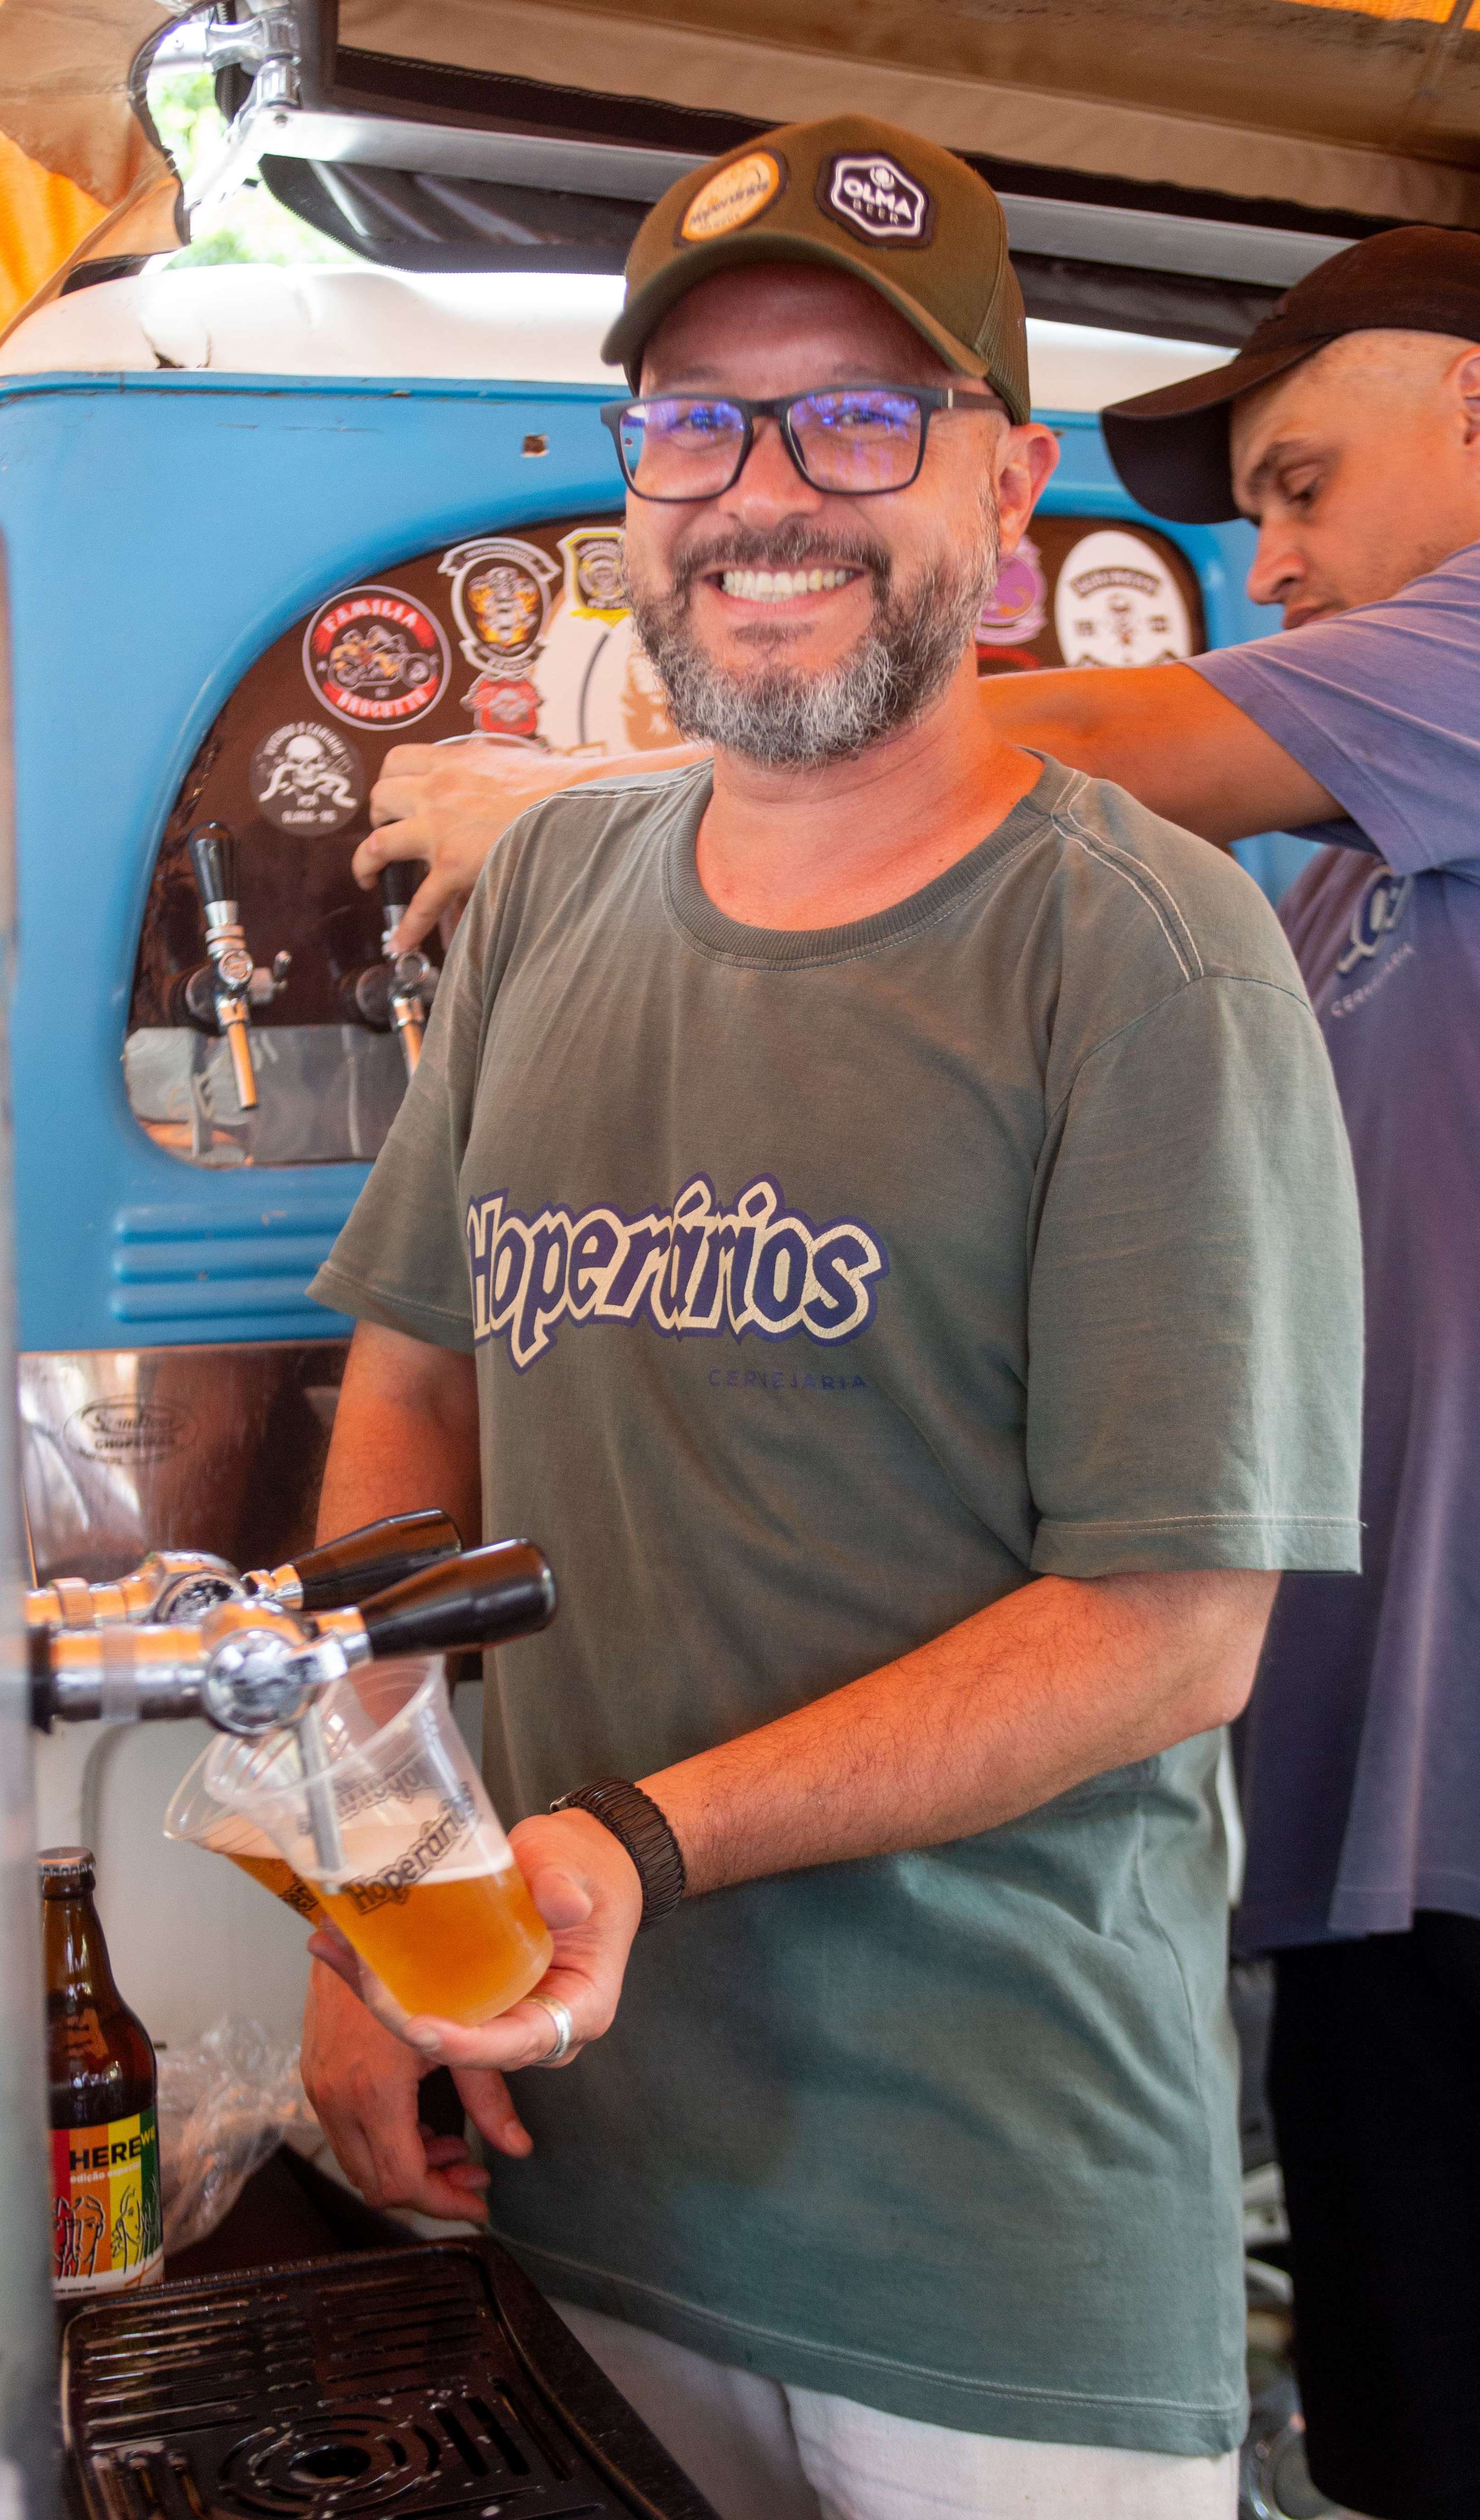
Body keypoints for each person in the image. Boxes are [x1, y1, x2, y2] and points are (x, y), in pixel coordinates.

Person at [364, 219, 1480, 2520]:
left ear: (1005, 489)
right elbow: (414, 1391)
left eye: (862, 419)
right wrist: (369, 1898)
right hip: (574, 2163)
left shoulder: (1152, 943)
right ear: (628, 476)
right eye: (699, 425)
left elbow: (1171, 1629)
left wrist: (636, 1843)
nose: (766, 489)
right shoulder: (552, 909)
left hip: (986, 2250)